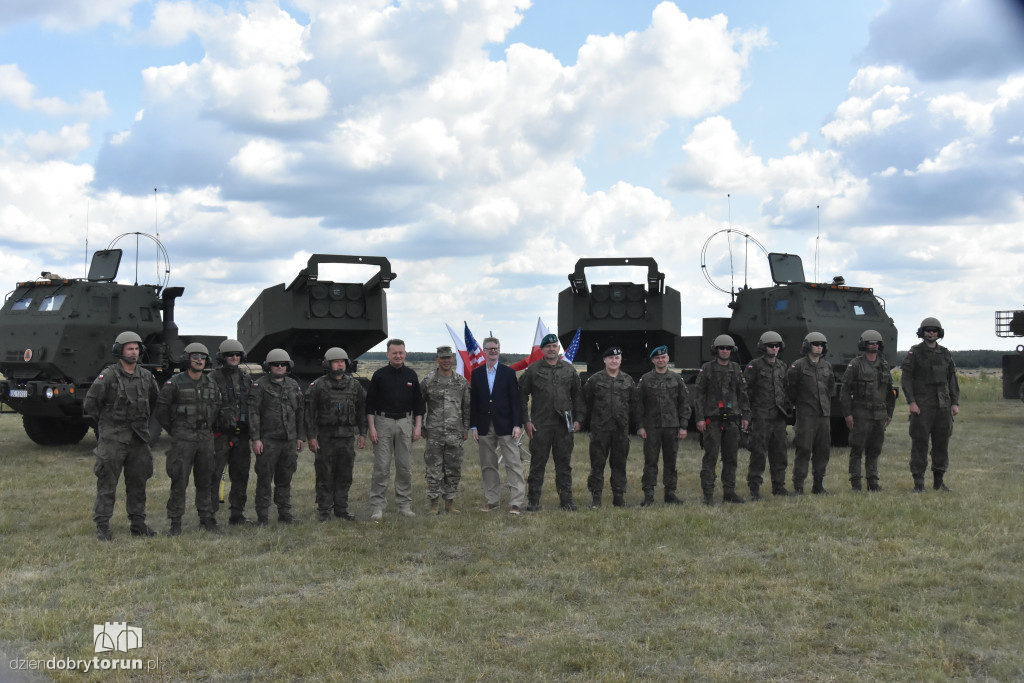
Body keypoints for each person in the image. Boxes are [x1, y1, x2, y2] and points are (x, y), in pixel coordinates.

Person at [84, 331, 160, 541]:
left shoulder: (146, 376)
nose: (134, 352)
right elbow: (91, 403)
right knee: (107, 484)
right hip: (113, 438)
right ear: (119, 351)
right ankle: (103, 525)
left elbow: (155, 401)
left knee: (138, 482)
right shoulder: (108, 375)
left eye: (136, 348)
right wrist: (107, 423)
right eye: (129, 349)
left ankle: (138, 523)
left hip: (139, 438)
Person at [155, 342, 227, 535]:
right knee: (179, 481)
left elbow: (217, 409)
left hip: (205, 439)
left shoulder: (211, 383)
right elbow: (161, 412)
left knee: (206, 480)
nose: (199, 360)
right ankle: (175, 523)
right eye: (195, 357)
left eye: (202, 357)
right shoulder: (174, 383)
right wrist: (176, 430)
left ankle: (206, 518)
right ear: (187, 359)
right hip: (183, 439)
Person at [518, 333, 583, 512]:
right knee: (538, 464)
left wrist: (578, 419)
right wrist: (526, 421)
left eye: (554, 346)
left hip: (564, 424)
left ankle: (566, 500)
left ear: (559, 348)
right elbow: (521, 396)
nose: (551, 349)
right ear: (542, 349)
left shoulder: (569, 370)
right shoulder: (533, 370)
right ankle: (533, 501)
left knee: (564, 464)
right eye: (548, 346)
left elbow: (578, 396)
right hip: (541, 424)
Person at [306, 347, 367, 522]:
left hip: (347, 437)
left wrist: (362, 433)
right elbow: (309, 413)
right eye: (335, 361)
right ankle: (324, 510)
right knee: (324, 474)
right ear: (328, 364)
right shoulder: (319, 385)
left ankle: (341, 508)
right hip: (325, 437)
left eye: (342, 361)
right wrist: (311, 436)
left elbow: (362, 410)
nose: (339, 364)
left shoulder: (354, 385)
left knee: (345, 474)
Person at [366, 339, 425, 520]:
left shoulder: (411, 375)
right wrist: (372, 427)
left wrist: (417, 427)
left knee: (404, 466)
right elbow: (369, 404)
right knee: (382, 467)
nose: (398, 356)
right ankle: (377, 506)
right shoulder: (379, 375)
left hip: (405, 423)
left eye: (401, 352)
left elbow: (419, 404)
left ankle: (404, 504)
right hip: (383, 422)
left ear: (405, 353)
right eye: (394, 353)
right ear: (388, 355)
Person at [901, 317, 960, 493]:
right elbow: (907, 379)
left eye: (935, 330)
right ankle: (919, 483)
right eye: (928, 330)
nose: (931, 333)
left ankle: (938, 481)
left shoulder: (945, 353)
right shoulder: (915, 352)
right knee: (920, 443)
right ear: (922, 332)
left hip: (943, 405)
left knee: (941, 443)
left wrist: (954, 403)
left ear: (939, 333)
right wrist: (912, 402)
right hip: (922, 405)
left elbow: (952, 380)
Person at [248, 348, 306, 525]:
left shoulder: (293, 385)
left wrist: (299, 437)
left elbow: (300, 412)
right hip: (268, 441)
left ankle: (285, 513)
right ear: (268, 366)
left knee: (285, 478)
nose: (280, 367)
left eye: (283, 364)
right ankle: (263, 516)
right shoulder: (259, 386)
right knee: (264, 479)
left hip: (289, 441)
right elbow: (253, 413)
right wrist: (256, 439)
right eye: (276, 364)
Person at [469, 337, 526, 515]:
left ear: (499, 350)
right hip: (484, 425)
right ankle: (492, 500)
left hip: (507, 425)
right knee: (488, 464)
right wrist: (474, 427)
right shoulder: (476, 374)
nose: (493, 351)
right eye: (489, 349)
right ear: (484, 351)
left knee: (513, 463)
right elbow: (474, 402)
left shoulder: (508, 373)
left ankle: (516, 502)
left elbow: (515, 401)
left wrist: (517, 424)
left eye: (496, 348)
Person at [693, 335, 750, 505]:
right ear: (716, 350)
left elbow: (743, 394)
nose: (725, 351)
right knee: (710, 457)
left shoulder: (736, 369)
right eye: (722, 348)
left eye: (728, 348)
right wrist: (700, 418)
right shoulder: (707, 369)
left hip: (732, 420)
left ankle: (729, 491)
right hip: (713, 420)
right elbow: (699, 395)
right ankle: (708, 494)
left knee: (731, 457)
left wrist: (746, 415)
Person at [581, 346, 639, 508]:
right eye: (611, 358)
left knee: (619, 464)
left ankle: (619, 497)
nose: (614, 361)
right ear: (605, 360)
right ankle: (596, 498)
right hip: (600, 430)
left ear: (620, 360)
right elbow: (586, 402)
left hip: (621, 430)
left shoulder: (628, 381)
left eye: (617, 358)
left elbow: (634, 405)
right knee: (597, 464)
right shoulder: (595, 380)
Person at [841, 330, 896, 492]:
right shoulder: (855, 365)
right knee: (857, 449)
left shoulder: (884, 365)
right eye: (871, 343)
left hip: (879, 415)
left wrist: (890, 413)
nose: (874, 345)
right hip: (861, 414)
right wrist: (848, 414)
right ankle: (856, 483)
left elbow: (889, 392)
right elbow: (845, 391)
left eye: (876, 343)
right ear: (863, 345)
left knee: (875, 449)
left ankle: (873, 482)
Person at [636, 345, 690, 507]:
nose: (661, 360)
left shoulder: (676, 379)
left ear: (668, 359)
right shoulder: (645, 380)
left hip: (672, 427)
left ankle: (670, 493)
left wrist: (684, 426)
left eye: (663, 357)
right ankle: (649, 494)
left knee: (671, 461)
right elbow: (639, 406)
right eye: (657, 358)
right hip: (652, 428)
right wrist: (640, 426)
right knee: (651, 461)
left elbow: (684, 403)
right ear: (653, 360)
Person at [420, 345, 470, 514]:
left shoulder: (461, 382)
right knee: (433, 469)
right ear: (437, 359)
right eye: (443, 358)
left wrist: (466, 428)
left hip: (455, 433)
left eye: (449, 357)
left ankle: (450, 502)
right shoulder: (428, 381)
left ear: (453, 359)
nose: (446, 361)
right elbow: (419, 406)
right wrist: (419, 427)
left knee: (453, 468)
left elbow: (467, 407)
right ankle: (434, 504)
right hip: (434, 433)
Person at [210, 339, 255, 525]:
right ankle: (209, 515)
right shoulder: (212, 378)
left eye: (237, 354)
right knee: (213, 475)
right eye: (230, 355)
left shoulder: (246, 377)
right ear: (223, 357)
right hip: (220, 435)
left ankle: (237, 514)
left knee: (241, 475)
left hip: (242, 435)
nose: (234, 357)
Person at [743, 331, 792, 499]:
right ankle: (754, 489)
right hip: (761, 417)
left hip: (778, 417)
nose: (774, 348)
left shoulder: (782, 366)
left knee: (780, 454)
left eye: (777, 346)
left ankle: (779, 486)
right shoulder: (754, 366)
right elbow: (745, 391)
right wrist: (747, 414)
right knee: (758, 454)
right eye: (771, 346)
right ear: (763, 347)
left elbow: (785, 389)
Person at [787, 332, 835, 495]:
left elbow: (830, 387)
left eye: (822, 344)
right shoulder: (798, 366)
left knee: (823, 450)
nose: (819, 347)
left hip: (823, 415)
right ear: (808, 346)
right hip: (806, 414)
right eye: (816, 344)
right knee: (804, 449)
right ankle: (799, 486)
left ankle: (818, 485)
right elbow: (791, 388)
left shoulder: (826, 366)